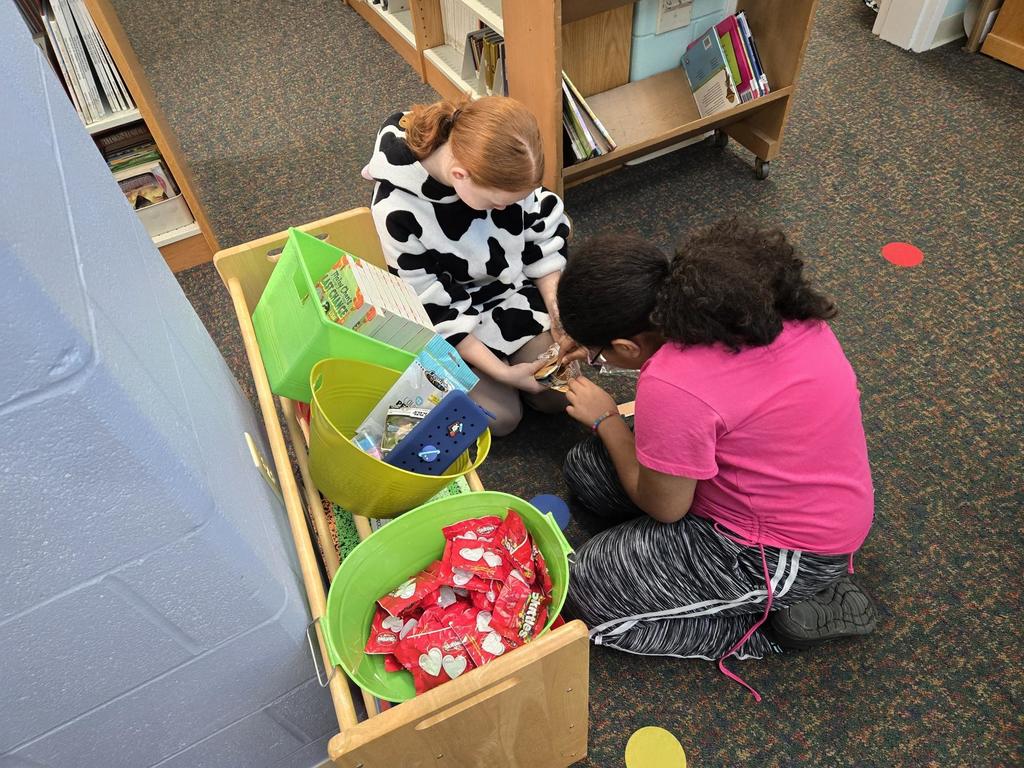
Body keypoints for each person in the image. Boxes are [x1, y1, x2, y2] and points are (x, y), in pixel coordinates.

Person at [555, 220, 878, 698]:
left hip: (788, 549)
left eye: (602, 355)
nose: (600, 361)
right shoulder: (754, 304)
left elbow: (667, 508)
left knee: (585, 590)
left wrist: (607, 420)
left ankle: (770, 627)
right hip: (787, 484)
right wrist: (597, 347)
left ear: (626, 346)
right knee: (587, 469)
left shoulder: (671, 384)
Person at [362, 96, 572, 436]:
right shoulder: (396, 209)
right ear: (460, 176)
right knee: (503, 418)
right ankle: (499, 374)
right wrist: (502, 373)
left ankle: (511, 369)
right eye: (499, 204)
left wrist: (557, 309)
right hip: (448, 319)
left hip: (506, 296)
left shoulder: (496, 162)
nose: (506, 210)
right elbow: (430, 308)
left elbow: (541, 240)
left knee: (557, 391)